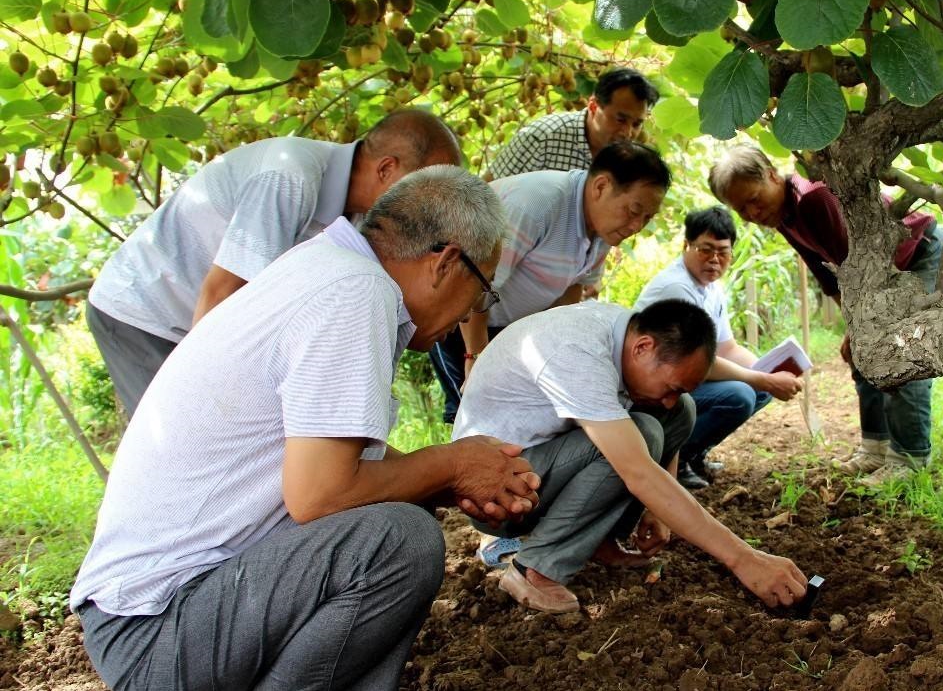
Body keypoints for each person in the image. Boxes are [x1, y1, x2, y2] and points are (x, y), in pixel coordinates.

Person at [71, 166, 540, 691]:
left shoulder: (328, 270)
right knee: (396, 541)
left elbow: (336, 464)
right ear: (447, 261)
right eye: (480, 294)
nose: (469, 316)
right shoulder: (354, 291)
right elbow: (323, 494)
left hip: (159, 614)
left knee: (390, 524)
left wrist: (451, 480)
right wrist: (453, 462)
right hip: (156, 628)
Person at [86, 109, 463, 417]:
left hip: (197, 324)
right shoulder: (291, 175)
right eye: (429, 186)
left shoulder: (365, 221)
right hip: (148, 313)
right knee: (176, 440)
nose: (433, 204)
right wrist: (218, 401)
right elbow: (222, 295)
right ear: (386, 169)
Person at [453, 298, 809, 614]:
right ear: (643, 347)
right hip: (497, 496)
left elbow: (685, 385)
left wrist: (658, 510)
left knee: (680, 410)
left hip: (538, 468)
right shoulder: (578, 351)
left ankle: (600, 539)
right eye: (669, 386)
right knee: (640, 436)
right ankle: (534, 568)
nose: (668, 397)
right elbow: (637, 472)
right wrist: (745, 559)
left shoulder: (626, 332)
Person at [708, 146, 943, 487]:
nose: (751, 212)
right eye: (740, 208)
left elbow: (860, 266)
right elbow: (826, 273)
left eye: (754, 199)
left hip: (916, 254)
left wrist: (862, 323)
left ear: (773, 176)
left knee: (902, 354)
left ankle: (909, 460)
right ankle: (875, 448)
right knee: (864, 352)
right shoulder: (782, 215)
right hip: (871, 274)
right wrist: (855, 324)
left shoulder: (812, 198)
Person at [430, 141, 671, 424]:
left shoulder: (604, 229)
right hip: (460, 320)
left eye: (647, 218)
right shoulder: (536, 204)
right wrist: (475, 355)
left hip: (510, 330)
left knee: (517, 422)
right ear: (601, 186)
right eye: (633, 211)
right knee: (475, 418)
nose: (636, 227)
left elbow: (572, 290)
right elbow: (472, 283)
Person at [634, 207, 803, 490]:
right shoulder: (677, 288)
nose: (714, 260)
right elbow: (698, 362)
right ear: (686, 245)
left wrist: (769, 370)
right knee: (739, 395)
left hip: (684, 379)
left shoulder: (712, 287)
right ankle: (675, 458)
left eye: (723, 252)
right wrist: (763, 378)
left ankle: (694, 453)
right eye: (705, 250)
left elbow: (727, 348)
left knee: (758, 389)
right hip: (654, 385)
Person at [486, 67, 659, 180]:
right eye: (620, 119)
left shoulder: (626, 160)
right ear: (593, 105)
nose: (627, 133)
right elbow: (485, 194)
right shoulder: (543, 137)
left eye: (637, 124)